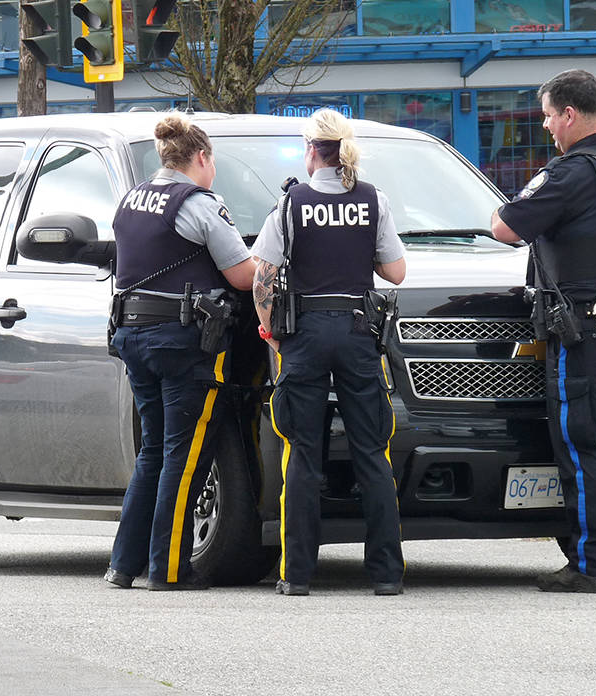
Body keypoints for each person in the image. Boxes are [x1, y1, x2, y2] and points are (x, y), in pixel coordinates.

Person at [491, 69, 596, 594]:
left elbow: (505, 227)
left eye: (547, 116)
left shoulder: (571, 172)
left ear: (569, 114)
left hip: (593, 329)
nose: (546, 127)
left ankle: (594, 565)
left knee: (588, 443)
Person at [250, 108, 407, 596]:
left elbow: (262, 274)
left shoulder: (291, 203)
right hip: (360, 333)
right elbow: (396, 272)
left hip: (305, 336)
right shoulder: (372, 199)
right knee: (372, 453)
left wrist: (269, 328)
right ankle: (386, 575)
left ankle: (296, 575)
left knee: (302, 452)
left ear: (311, 150)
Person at [104, 113, 256, 591]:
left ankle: (123, 565)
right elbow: (243, 275)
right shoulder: (200, 204)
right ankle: (170, 569)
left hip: (133, 336)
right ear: (202, 158)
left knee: (153, 451)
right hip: (183, 343)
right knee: (184, 456)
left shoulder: (131, 199)